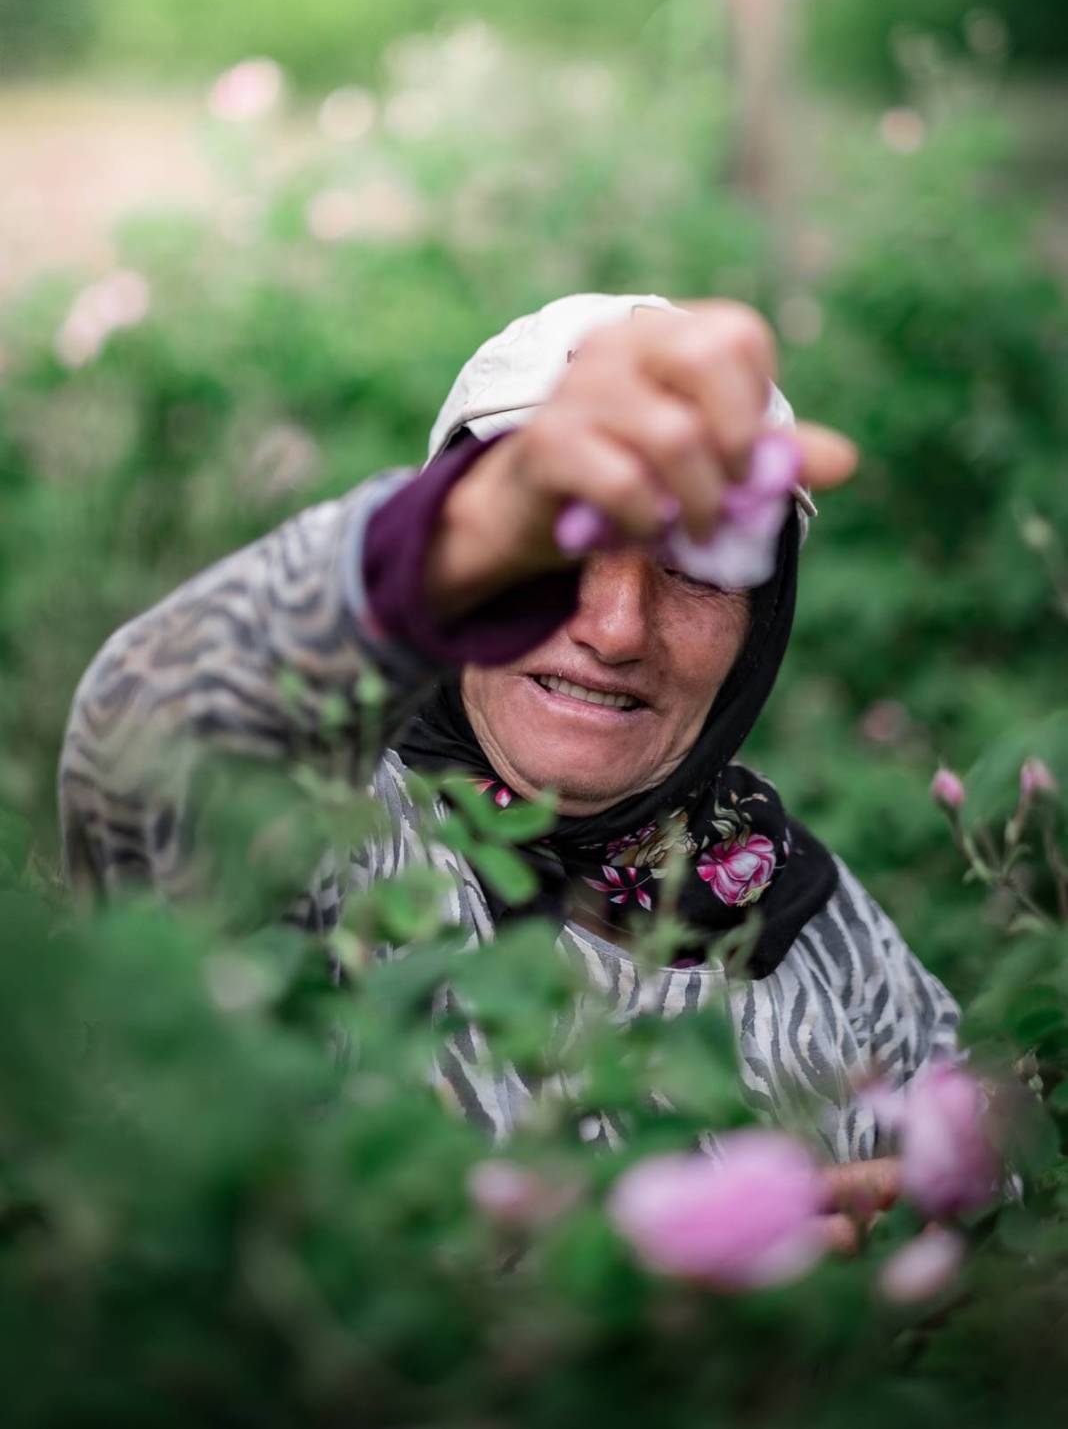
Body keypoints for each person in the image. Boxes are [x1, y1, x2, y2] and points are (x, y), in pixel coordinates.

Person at [59, 293, 959, 1190]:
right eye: (555, 545)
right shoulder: (338, 838)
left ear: (761, 620)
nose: (616, 629)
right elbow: (145, 752)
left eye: (693, 565)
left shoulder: (811, 916)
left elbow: (989, 1196)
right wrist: (449, 538)